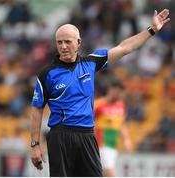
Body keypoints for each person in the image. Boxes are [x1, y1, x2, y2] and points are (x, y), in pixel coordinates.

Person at [30, 9, 170, 177]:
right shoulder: (47, 74)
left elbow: (124, 48)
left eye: (68, 41)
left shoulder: (91, 63)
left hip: (87, 135)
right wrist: (35, 144)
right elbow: (37, 109)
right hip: (60, 135)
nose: (63, 46)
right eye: (59, 42)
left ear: (79, 42)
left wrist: (152, 30)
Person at [94, 79, 132, 177]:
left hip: (113, 145)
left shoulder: (121, 106)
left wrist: (127, 140)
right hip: (100, 144)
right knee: (110, 173)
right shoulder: (98, 105)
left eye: (121, 93)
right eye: (118, 92)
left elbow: (121, 124)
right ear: (111, 90)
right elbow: (88, 123)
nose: (120, 95)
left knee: (101, 173)